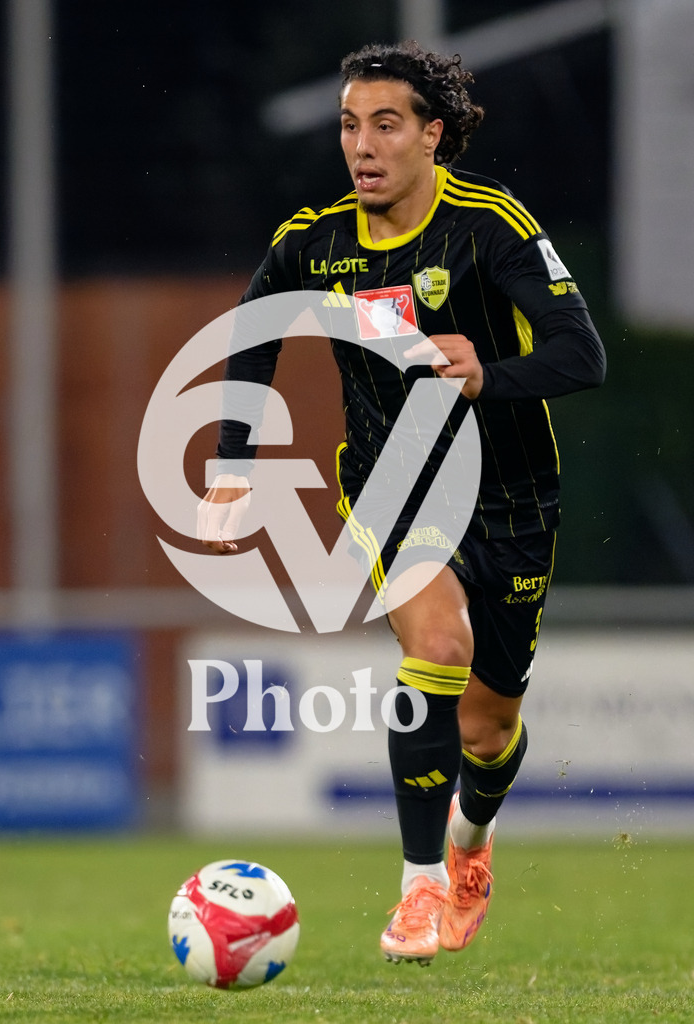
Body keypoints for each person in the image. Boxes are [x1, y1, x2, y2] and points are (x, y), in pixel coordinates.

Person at [197, 40, 606, 965]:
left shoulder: (488, 225)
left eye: (386, 124)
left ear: (435, 136)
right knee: (440, 648)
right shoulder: (315, 240)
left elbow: (583, 356)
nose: (363, 145)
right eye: (350, 124)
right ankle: (420, 885)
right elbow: (253, 340)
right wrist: (233, 468)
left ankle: (468, 844)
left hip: (511, 494)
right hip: (393, 481)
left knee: (489, 728)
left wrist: (485, 376)